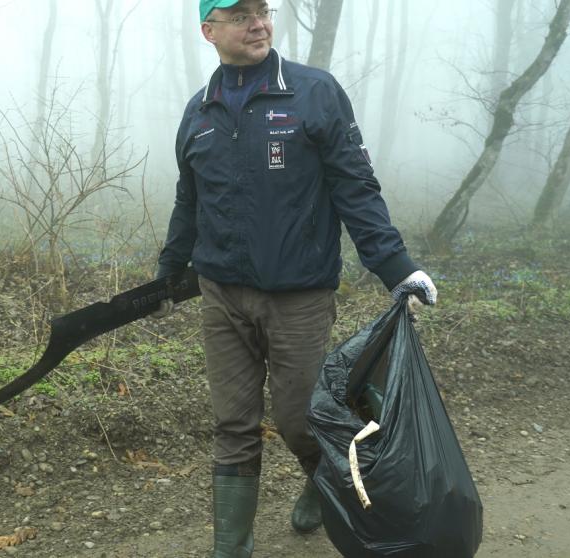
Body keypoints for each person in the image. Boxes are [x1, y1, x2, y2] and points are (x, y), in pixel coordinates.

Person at [150, 1, 438, 556]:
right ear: (209, 31)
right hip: (222, 296)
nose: (258, 23)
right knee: (233, 423)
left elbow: (355, 187)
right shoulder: (199, 112)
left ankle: (327, 486)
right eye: (240, 15)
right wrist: (167, 273)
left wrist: (397, 268)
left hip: (298, 294)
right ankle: (230, 547)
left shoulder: (314, 93)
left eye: (263, 10)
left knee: (299, 419)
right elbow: (190, 201)